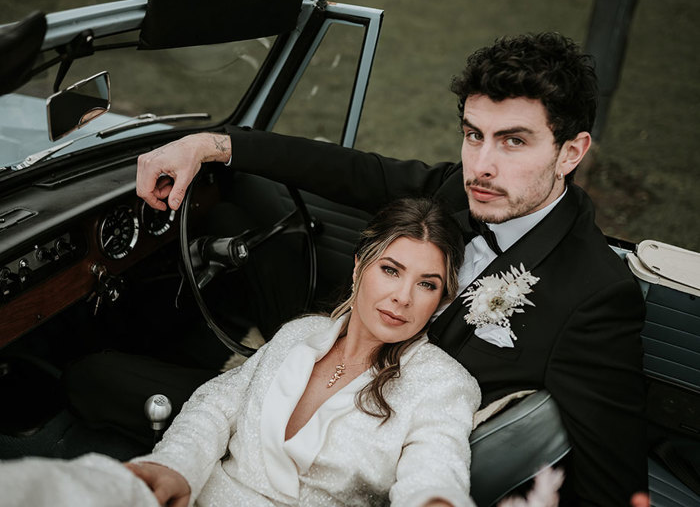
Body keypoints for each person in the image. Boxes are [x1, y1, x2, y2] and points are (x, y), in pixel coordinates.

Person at [134, 32, 648, 506]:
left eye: (514, 141)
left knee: (103, 385)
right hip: (309, 372)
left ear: (571, 152)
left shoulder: (596, 295)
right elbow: (350, 171)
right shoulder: (457, 191)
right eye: (474, 135)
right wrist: (212, 146)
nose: (482, 166)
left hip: (374, 459)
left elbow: (613, 481)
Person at [2, 198, 480, 507]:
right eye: (391, 270)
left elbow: (436, 471)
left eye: (427, 284)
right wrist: (174, 467)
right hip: (194, 495)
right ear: (359, 268)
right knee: (57, 490)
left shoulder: (443, 383)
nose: (403, 297)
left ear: (442, 300)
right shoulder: (301, 333)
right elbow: (217, 405)